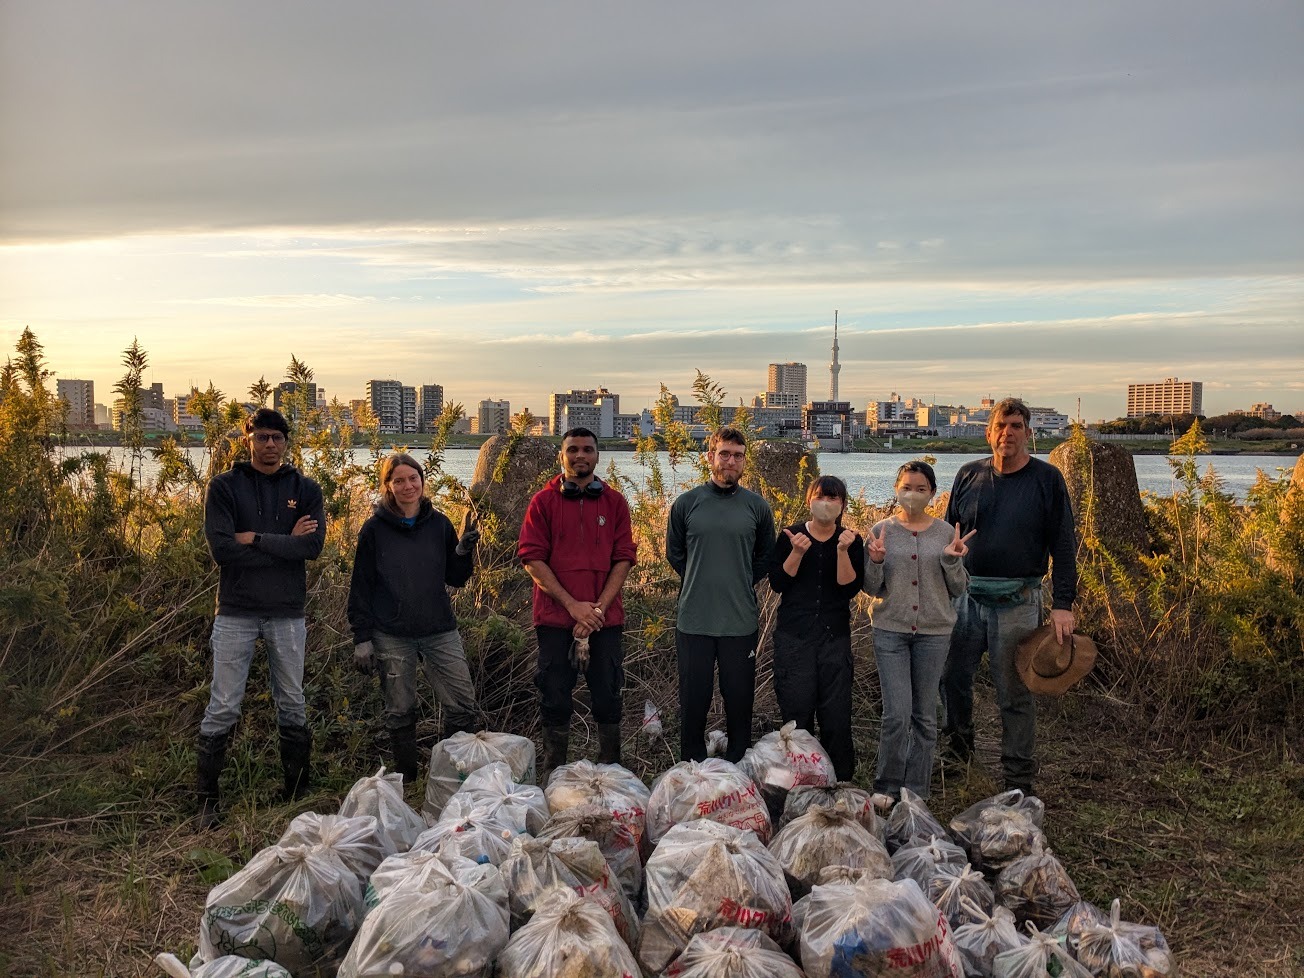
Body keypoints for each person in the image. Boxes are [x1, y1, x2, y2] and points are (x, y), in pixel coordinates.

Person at [940, 397, 1077, 796]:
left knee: (1014, 691)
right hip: (966, 597)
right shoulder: (968, 475)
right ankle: (958, 756)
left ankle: (1018, 779)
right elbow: (948, 537)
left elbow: (1064, 545)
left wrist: (1063, 605)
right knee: (952, 679)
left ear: (1028, 433)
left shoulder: (1047, 480)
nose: (1008, 433)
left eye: (1016, 426)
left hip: (1019, 599)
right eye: (1001, 426)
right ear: (989, 433)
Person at [196, 408, 326, 828]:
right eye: (262, 437)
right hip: (236, 611)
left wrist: (253, 538)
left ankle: (296, 792)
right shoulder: (224, 487)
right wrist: (284, 544)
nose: (270, 444)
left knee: (292, 700)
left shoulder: (305, 489)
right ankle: (207, 800)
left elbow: (312, 548)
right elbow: (222, 551)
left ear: (287, 442)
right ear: (248, 440)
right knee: (223, 705)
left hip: (287, 612)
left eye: (277, 437)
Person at [347, 453, 482, 784]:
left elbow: (456, 578)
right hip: (391, 633)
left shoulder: (439, 524)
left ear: (422, 481)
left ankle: (449, 776)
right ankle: (406, 779)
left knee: (462, 704)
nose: (408, 486)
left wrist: (463, 551)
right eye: (399, 481)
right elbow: (361, 586)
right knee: (400, 708)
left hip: (439, 629)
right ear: (388, 486)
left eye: (413, 478)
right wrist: (362, 637)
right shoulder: (374, 530)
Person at [518, 427, 637, 779]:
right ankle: (554, 772)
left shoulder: (615, 503)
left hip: (605, 620)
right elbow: (532, 559)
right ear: (562, 455)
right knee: (554, 697)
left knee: (608, 697)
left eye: (587, 449)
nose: (580, 455)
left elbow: (624, 558)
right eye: (573, 449)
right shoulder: (542, 502)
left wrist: (597, 610)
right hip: (555, 619)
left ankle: (611, 772)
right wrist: (572, 606)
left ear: (598, 456)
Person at [863, 460, 972, 803]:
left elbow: (959, 588)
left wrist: (952, 560)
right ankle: (886, 785)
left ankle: (916, 790)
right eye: (907, 488)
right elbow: (870, 588)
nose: (913, 494)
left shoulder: (945, 533)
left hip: (934, 633)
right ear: (896, 489)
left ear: (932, 493)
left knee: (924, 715)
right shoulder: (881, 530)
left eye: (921, 489)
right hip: (890, 630)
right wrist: (876, 561)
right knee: (896, 714)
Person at [667, 426, 776, 763]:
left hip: (739, 622)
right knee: (694, 701)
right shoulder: (686, 504)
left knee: (739, 701)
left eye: (738, 456)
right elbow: (675, 554)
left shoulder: (757, 507)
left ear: (744, 461)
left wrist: (738, 579)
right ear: (710, 456)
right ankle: (692, 768)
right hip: (694, 619)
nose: (731, 461)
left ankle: (739, 767)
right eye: (724, 454)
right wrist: (702, 578)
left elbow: (766, 557)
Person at [768, 475, 864, 781]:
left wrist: (842, 551)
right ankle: (801, 779)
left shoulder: (851, 539)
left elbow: (849, 589)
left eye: (833, 498)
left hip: (834, 637)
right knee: (797, 712)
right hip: (794, 637)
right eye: (820, 496)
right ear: (809, 500)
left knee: (836, 714)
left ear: (842, 505)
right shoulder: (790, 535)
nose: (826, 503)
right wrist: (796, 552)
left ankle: (840, 781)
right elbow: (778, 583)